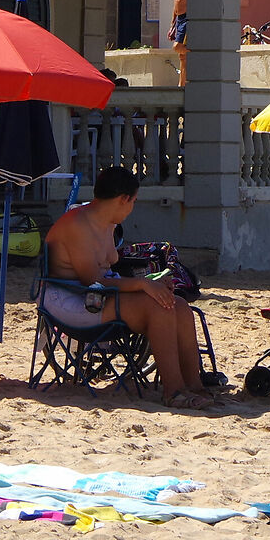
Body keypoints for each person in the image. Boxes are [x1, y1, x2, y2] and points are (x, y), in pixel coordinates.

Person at [45, 165, 212, 407]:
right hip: (71, 299)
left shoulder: (108, 222)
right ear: (123, 199)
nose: (132, 207)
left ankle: (195, 386)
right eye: (133, 201)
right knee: (158, 308)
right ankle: (174, 391)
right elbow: (91, 280)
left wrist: (152, 281)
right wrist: (142, 285)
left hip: (98, 295)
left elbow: (107, 274)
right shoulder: (78, 224)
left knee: (179, 306)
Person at [165, 0, 189, 86]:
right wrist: (172, 25)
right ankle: (182, 84)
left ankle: (200, 53)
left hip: (187, 17)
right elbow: (176, 3)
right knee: (182, 56)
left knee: (177, 47)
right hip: (179, 19)